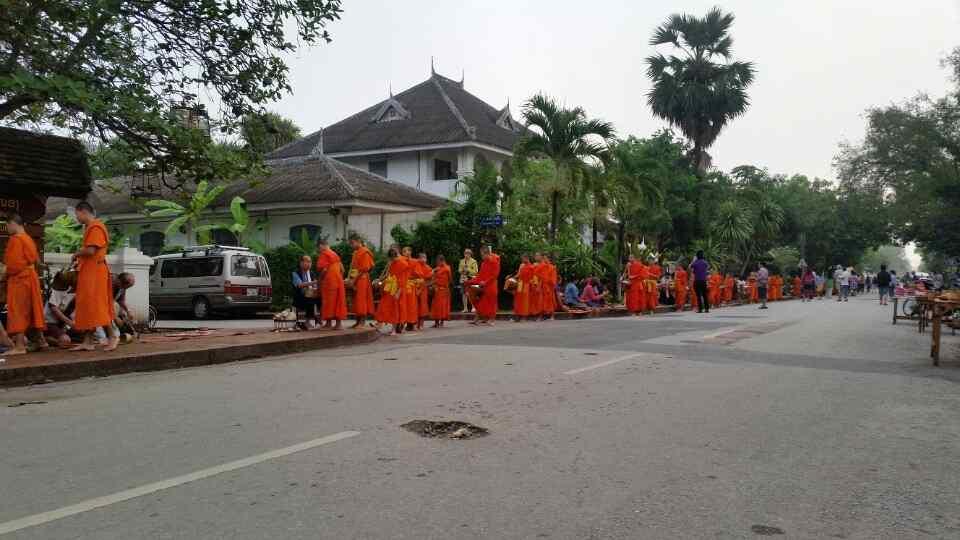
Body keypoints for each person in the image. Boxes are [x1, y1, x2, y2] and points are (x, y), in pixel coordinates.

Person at [71, 201, 118, 351]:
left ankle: (112, 336)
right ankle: (88, 341)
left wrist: (76, 254)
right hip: (90, 271)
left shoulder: (96, 226)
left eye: (76, 214)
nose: (76, 218)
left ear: (82, 211)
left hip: (96, 272)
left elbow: (91, 251)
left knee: (98, 305)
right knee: (88, 306)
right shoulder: (90, 227)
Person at [3, 214, 46, 355]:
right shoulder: (28, 239)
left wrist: (4, 273)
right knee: (31, 309)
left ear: (13, 223)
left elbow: (14, 265)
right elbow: (37, 261)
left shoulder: (16, 239)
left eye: (7, 225)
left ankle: (19, 346)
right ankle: (40, 340)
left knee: (18, 310)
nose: (7, 228)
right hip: (31, 277)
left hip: (20, 278)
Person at [315, 239, 348, 329]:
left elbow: (324, 270)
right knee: (338, 301)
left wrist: (320, 279)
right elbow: (342, 269)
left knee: (328, 302)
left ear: (321, 245)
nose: (318, 250)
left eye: (318, 248)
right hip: (338, 280)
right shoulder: (335, 254)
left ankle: (328, 323)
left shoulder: (324, 254)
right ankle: (338, 324)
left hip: (329, 281)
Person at [374, 248, 407, 335]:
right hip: (389, 287)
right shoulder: (391, 263)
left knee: (394, 309)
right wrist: (379, 281)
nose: (390, 260)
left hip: (396, 288)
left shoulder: (402, 263)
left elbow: (403, 280)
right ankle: (379, 324)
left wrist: (398, 292)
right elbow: (387, 275)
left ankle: (394, 329)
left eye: (391, 258)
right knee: (383, 305)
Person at [465, 246, 500, 325]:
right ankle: (479, 318)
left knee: (491, 302)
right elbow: (480, 276)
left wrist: (485, 282)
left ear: (487, 254)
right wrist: (470, 282)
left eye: (482, 255)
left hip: (491, 285)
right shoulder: (483, 263)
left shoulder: (494, 261)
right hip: (483, 285)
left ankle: (492, 319)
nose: (481, 256)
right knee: (478, 300)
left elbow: (495, 275)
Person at [348, 236, 375, 329]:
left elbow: (365, 269)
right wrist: (350, 279)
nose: (351, 245)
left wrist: (354, 280)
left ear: (359, 241)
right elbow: (353, 268)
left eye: (352, 243)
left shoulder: (364, 252)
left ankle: (362, 322)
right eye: (350, 243)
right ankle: (357, 321)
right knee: (356, 300)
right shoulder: (356, 252)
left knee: (361, 300)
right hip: (355, 277)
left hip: (362, 278)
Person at [292, 255, 318, 329]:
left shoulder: (312, 273)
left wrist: (315, 287)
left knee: (321, 300)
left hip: (311, 294)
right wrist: (313, 283)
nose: (309, 264)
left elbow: (315, 285)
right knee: (310, 300)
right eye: (307, 261)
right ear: (301, 263)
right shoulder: (295, 273)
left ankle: (319, 320)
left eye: (310, 262)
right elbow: (300, 285)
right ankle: (307, 322)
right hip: (300, 296)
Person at [400, 247, 419, 332]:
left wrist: (411, 277)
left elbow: (419, 274)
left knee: (411, 305)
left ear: (411, 252)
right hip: (403, 285)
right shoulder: (401, 261)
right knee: (403, 305)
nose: (406, 253)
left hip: (411, 285)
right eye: (404, 252)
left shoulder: (415, 261)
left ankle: (412, 323)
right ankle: (402, 323)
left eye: (407, 251)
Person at [430, 254, 452, 328]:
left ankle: (440, 322)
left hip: (443, 289)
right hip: (438, 289)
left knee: (442, 306)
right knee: (437, 306)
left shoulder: (446, 268)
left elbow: (449, 279)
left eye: (438, 261)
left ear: (441, 261)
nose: (437, 263)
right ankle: (437, 322)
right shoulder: (438, 268)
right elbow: (433, 277)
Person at [512, 254, 534, 321]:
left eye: (523, 259)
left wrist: (531, 284)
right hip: (520, 284)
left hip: (526, 285)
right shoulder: (521, 265)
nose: (522, 260)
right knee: (518, 300)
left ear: (527, 258)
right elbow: (519, 274)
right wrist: (512, 278)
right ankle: (518, 315)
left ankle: (524, 316)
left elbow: (533, 277)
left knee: (525, 301)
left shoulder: (531, 267)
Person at [415, 253, 432, 330]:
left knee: (423, 307)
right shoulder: (415, 265)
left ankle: (421, 324)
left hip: (423, 289)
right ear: (418, 258)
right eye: (422, 258)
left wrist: (425, 285)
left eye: (425, 258)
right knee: (415, 306)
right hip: (415, 287)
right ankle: (415, 324)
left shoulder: (428, 267)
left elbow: (430, 279)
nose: (424, 259)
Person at [458, 249, 478, 313]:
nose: (466, 255)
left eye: (468, 253)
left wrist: (468, 270)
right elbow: (459, 270)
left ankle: (473, 307)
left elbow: (475, 271)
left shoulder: (474, 261)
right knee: (463, 294)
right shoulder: (461, 261)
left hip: (470, 279)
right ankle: (465, 308)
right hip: (463, 279)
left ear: (470, 254)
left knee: (470, 293)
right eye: (465, 253)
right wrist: (462, 270)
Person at [539, 253, 557, 321]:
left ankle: (552, 316)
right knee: (542, 301)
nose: (544, 259)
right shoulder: (543, 267)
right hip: (543, 286)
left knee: (550, 301)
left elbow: (553, 278)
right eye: (544, 258)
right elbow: (539, 275)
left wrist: (551, 284)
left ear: (549, 259)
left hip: (549, 286)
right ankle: (542, 316)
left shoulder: (552, 267)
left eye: (545, 258)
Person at [528, 253, 544, 319]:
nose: (536, 257)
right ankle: (535, 314)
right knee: (534, 300)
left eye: (537, 256)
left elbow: (543, 276)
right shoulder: (534, 264)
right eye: (535, 256)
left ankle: (540, 315)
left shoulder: (543, 265)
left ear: (541, 257)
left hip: (541, 284)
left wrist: (539, 285)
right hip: (534, 283)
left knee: (540, 300)